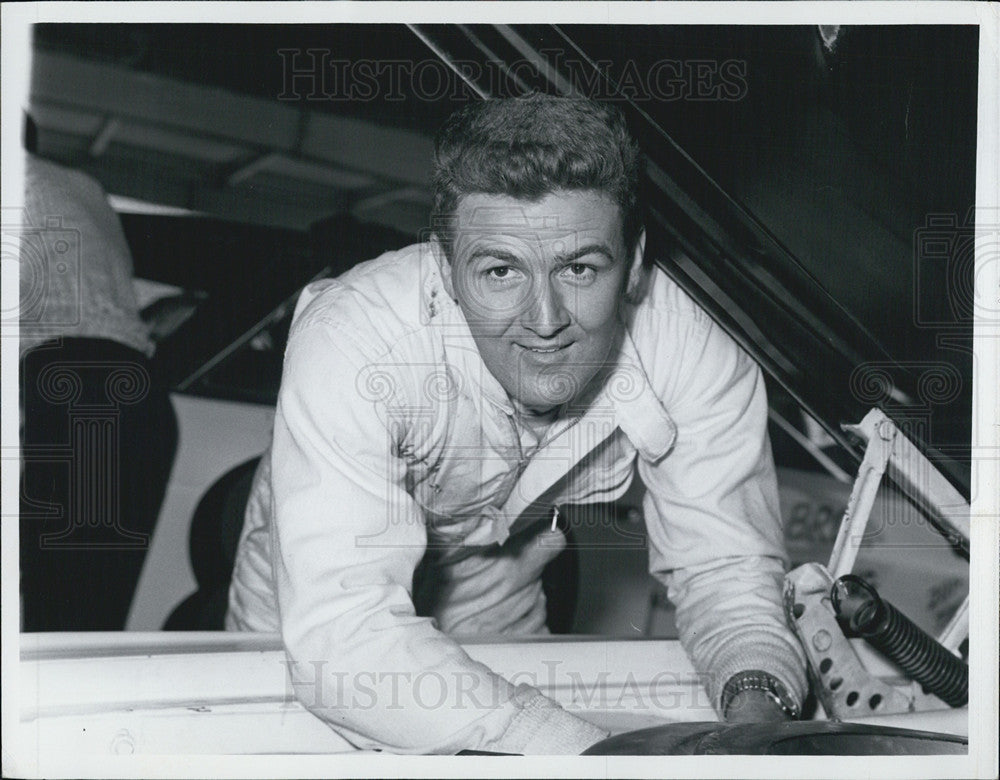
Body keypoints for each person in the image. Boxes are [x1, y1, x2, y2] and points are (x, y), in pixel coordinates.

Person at [226, 94, 807, 753]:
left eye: (580, 267)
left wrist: (760, 718)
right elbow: (342, 642)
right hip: (317, 593)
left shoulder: (694, 346)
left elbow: (726, 565)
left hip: (499, 583)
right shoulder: (356, 342)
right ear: (445, 272)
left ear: (637, 262)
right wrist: (599, 758)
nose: (545, 319)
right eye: (500, 271)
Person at [18, 122, 178, 631]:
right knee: (86, 622)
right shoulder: (84, 187)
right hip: (138, 398)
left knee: (53, 615)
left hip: (79, 396)